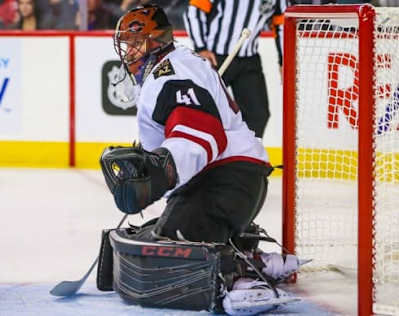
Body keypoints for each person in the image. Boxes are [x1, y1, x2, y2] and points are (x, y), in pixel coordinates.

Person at [99, 4, 304, 315]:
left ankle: (240, 282)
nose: (129, 54)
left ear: (156, 41)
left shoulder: (172, 73)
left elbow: (201, 134)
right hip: (231, 182)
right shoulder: (176, 64)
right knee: (161, 231)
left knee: (170, 244)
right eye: (127, 45)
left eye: (135, 43)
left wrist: (162, 169)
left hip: (226, 183)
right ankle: (248, 257)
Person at [183, 0, 287, 139]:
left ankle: (246, 156)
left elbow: (282, 24)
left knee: (257, 115)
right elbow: (194, 11)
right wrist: (200, 48)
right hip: (215, 58)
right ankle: (199, 154)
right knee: (201, 111)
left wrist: (284, 59)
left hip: (249, 60)